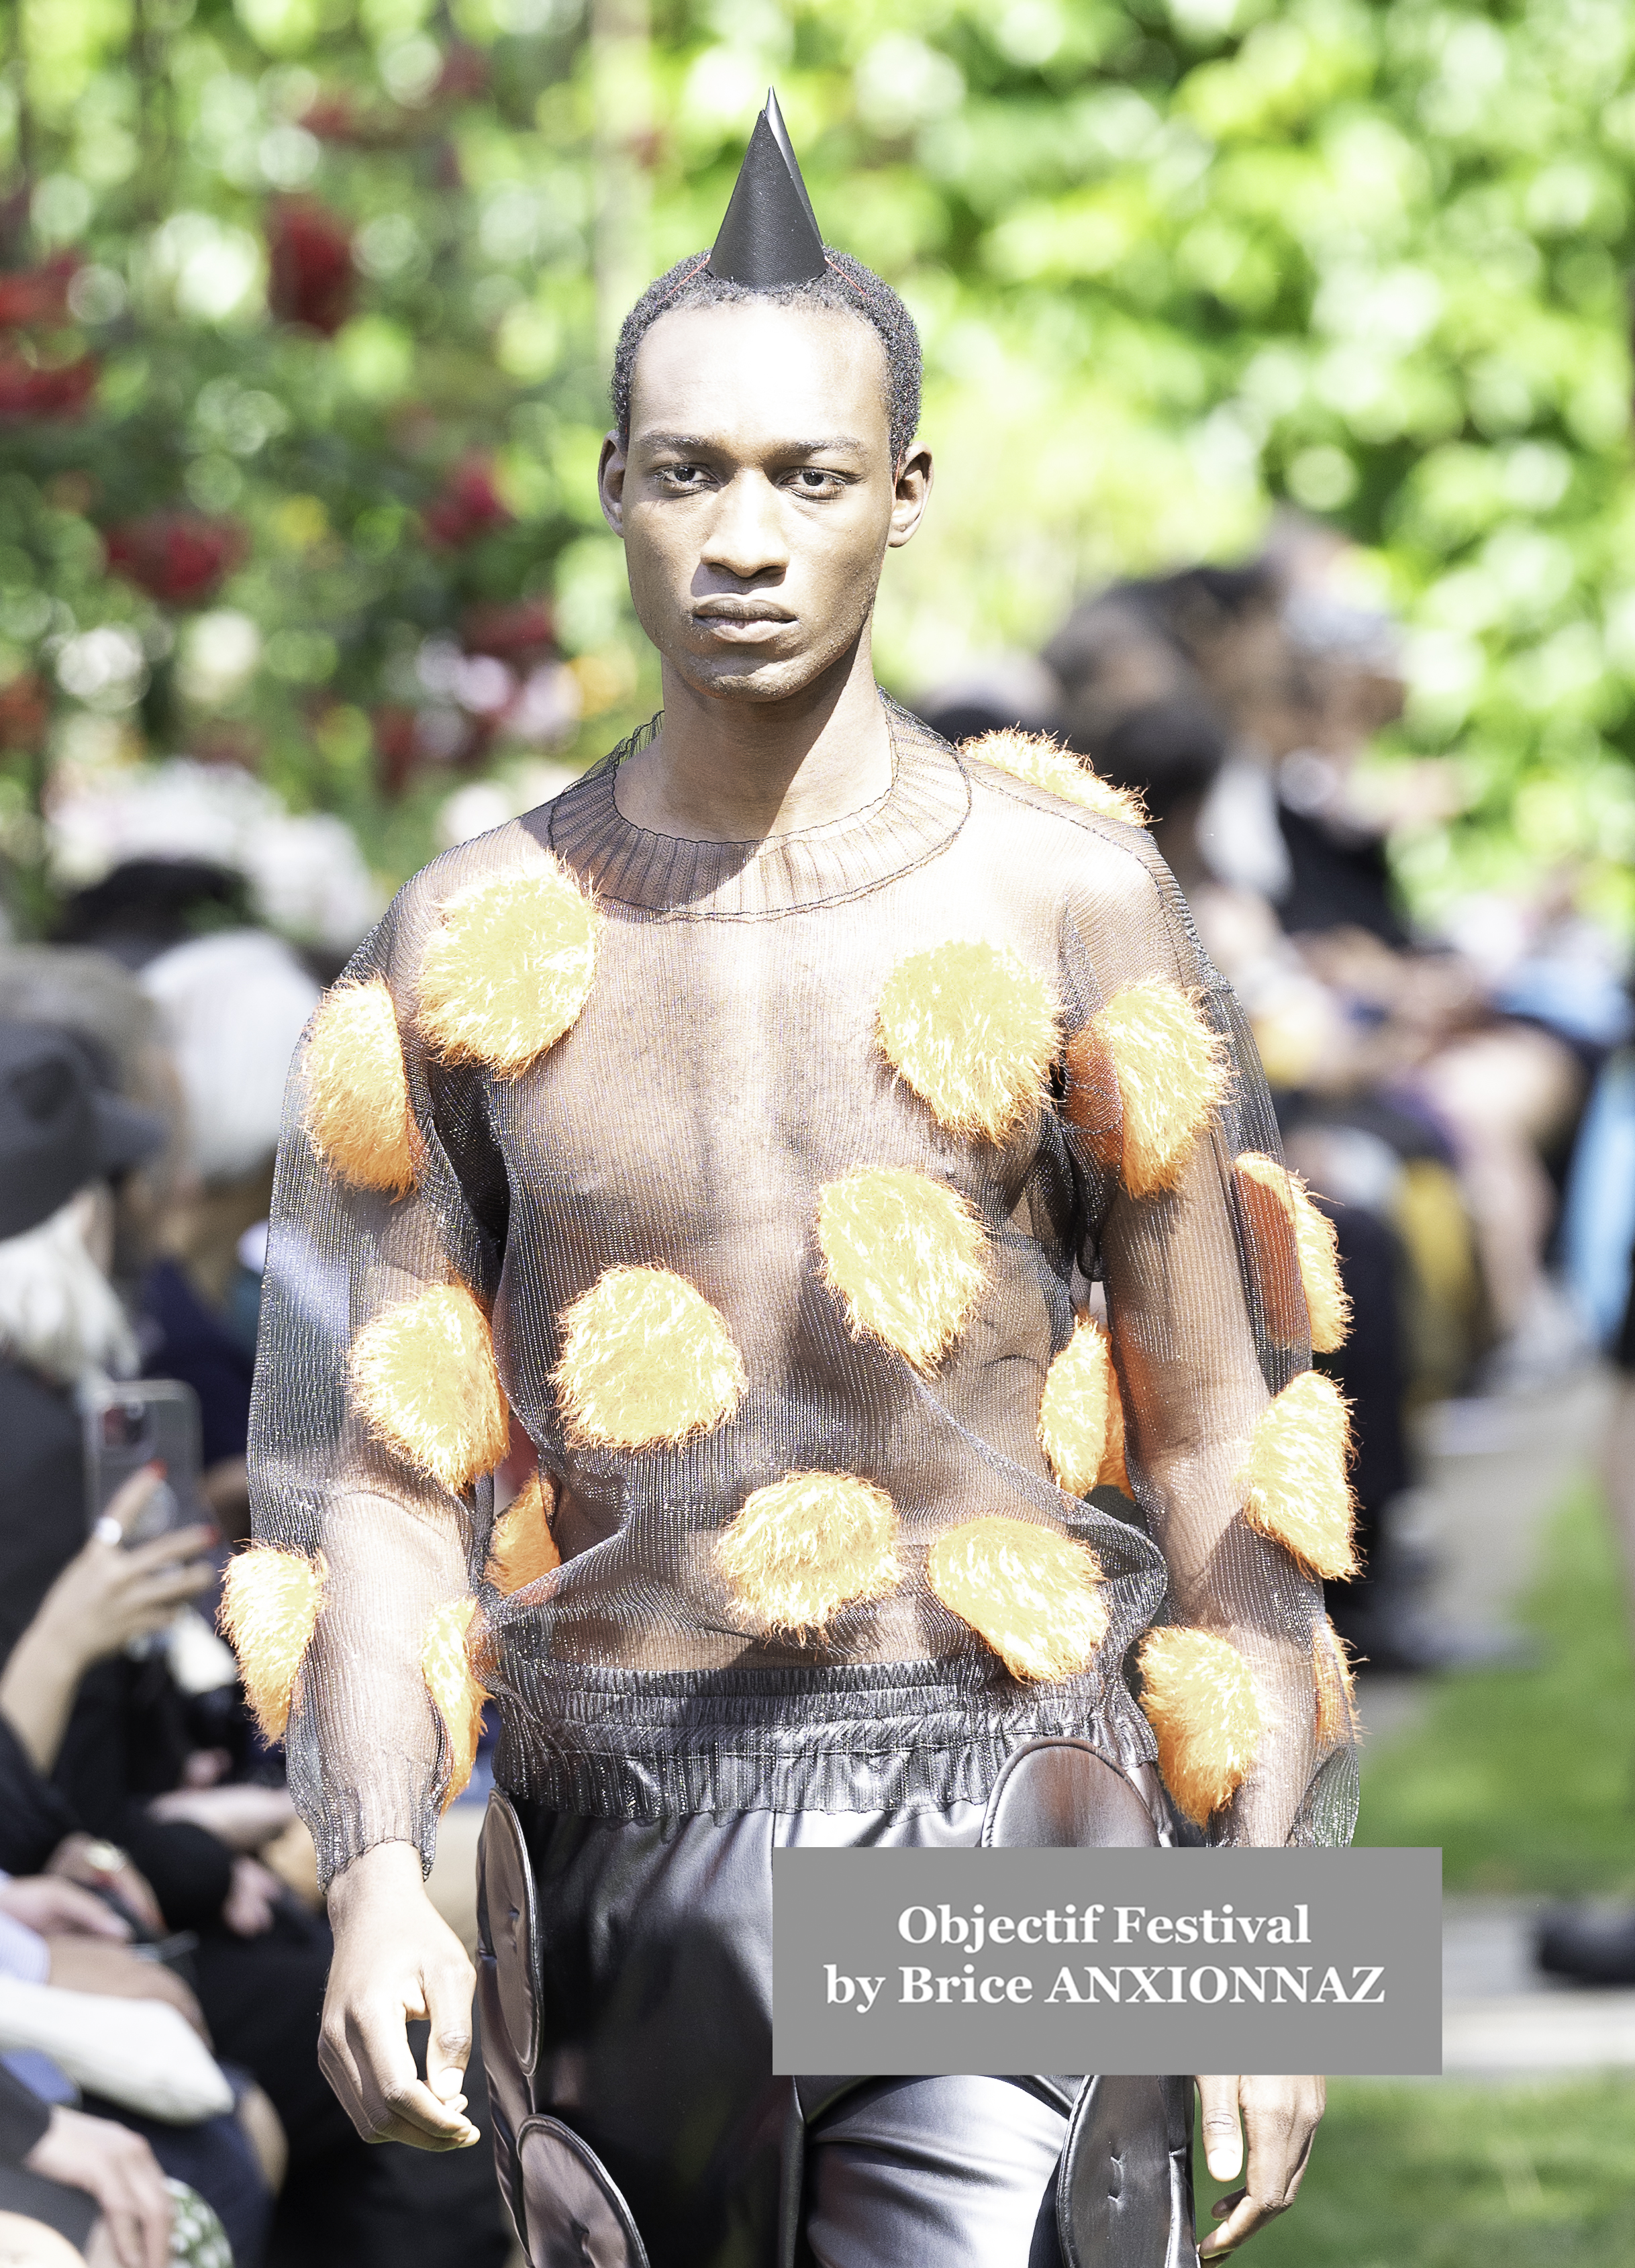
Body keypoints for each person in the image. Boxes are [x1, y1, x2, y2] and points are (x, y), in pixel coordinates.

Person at [243, 95, 1348, 2267]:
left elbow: (1225, 1433)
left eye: (806, 477)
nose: (742, 536)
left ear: (902, 497)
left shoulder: (1065, 891)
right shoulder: (473, 918)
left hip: (1006, 1788)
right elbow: (381, 1477)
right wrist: (377, 1856)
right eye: (689, 474)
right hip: (606, 1824)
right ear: (614, 496)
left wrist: (1274, 1931)